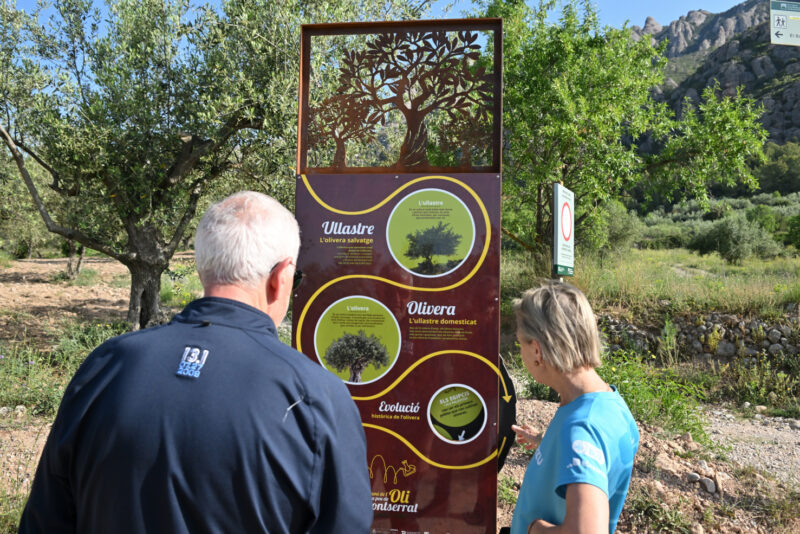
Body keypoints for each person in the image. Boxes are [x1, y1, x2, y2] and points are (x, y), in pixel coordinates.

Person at [18, 191, 372, 534]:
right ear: (281, 278)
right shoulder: (316, 396)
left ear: (204, 269)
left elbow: (46, 519)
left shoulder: (105, 366)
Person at [509, 282, 638, 534]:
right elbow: (595, 454)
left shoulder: (581, 427)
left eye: (520, 345)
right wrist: (545, 442)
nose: (521, 354)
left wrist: (533, 529)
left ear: (537, 350)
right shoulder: (609, 404)